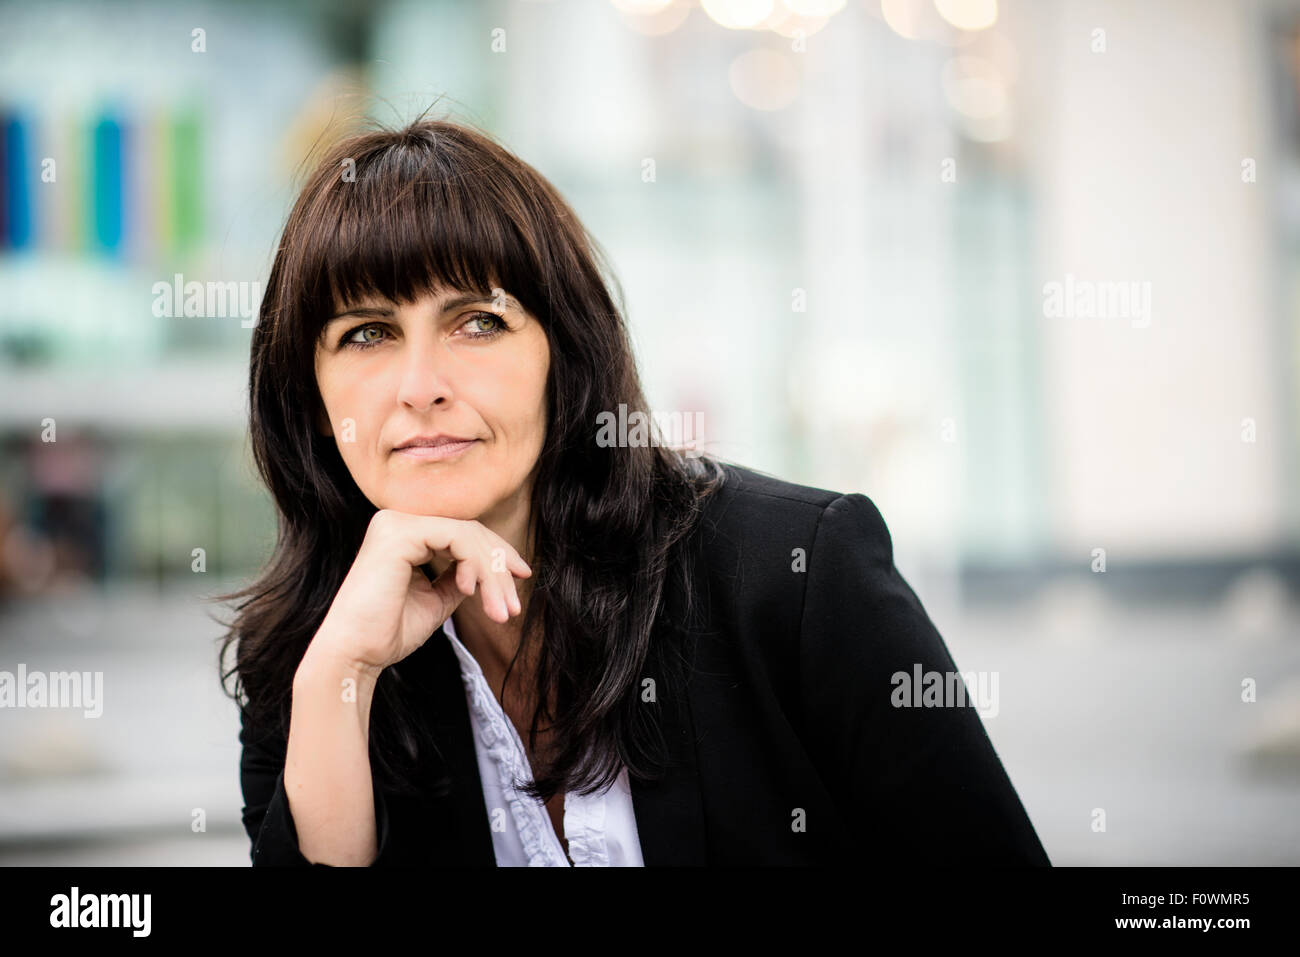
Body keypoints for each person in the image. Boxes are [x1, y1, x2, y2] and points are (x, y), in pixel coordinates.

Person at [218, 112, 1050, 867]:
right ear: (314, 402)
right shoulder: (311, 654)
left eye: (479, 321)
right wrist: (343, 675)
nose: (421, 384)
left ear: (563, 355)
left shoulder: (793, 573)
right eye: (366, 333)